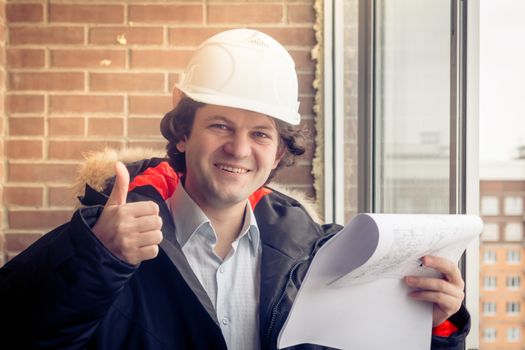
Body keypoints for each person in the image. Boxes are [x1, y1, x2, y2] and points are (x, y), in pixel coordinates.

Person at [0, 29, 469, 349]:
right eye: (220, 125)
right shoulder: (108, 238)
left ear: (280, 152)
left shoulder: (318, 256)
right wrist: (94, 257)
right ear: (183, 135)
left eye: (261, 133)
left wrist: (433, 326)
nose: (239, 149)